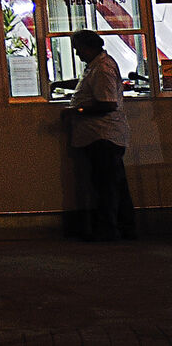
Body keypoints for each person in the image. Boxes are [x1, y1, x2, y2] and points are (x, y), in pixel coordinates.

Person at [64, 29, 136, 240]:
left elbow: (107, 103)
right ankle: (123, 227)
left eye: (79, 50)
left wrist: (78, 110)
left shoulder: (103, 68)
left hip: (103, 135)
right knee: (113, 184)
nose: (77, 54)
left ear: (89, 47)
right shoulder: (96, 66)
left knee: (106, 186)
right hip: (101, 135)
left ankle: (109, 229)